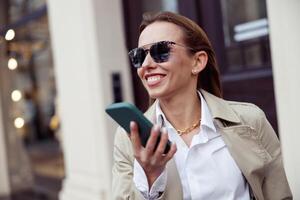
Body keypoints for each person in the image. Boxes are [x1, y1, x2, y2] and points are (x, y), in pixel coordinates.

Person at [112, 11, 292, 200]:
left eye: (161, 51)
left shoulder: (250, 121)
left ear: (197, 61)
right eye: (139, 56)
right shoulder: (128, 139)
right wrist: (149, 180)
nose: (146, 64)